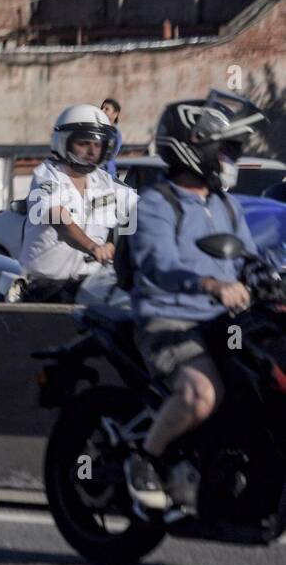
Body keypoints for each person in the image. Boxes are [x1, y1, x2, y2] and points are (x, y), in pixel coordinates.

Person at [123, 90, 267, 511]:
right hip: (170, 322)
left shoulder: (225, 204)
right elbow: (159, 264)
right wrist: (210, 284)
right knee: (202, 393)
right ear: (195, 150)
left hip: (226, 322)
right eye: (225, 150)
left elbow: (250, 258)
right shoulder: (155, 204)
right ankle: (145, 459)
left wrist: (264, 275)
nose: (231, 160)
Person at [18, 104, 132, 303]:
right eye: (83, 143)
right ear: (64, 142)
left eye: (97, 145)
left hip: (91, 286)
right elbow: (59, 219)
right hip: (45, 289)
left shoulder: (105, 182)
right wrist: (93, 247)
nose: (91, 151)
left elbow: (141, 209)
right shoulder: (47, 176)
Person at [100, 97, 122, 177]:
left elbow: (108, 155)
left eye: (107, 109)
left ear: (115, 114)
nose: (102, 111)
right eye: (102, 108)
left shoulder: (114, 134)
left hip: (107, 175)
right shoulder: (97, 129)